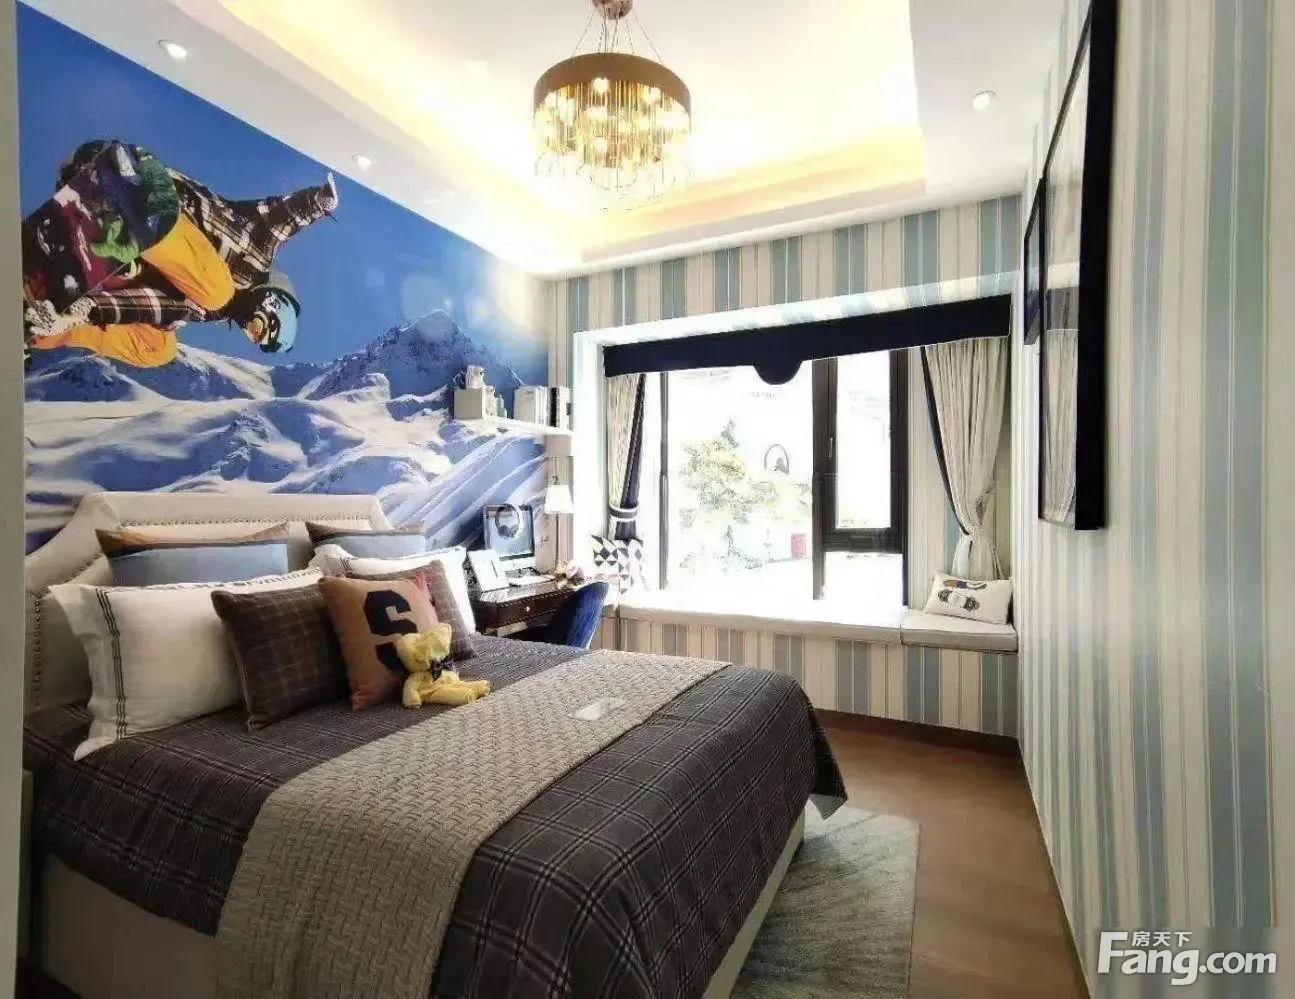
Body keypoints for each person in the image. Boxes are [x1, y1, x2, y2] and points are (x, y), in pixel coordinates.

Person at [26, 140, 338, 368]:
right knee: (219, 291)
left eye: (254, 339)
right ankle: (144, 215)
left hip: (116, 247)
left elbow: (160, 306)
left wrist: (91, 309)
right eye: (258, 329)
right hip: (132, 183)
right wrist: (320, 202)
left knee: (160, 349)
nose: (248, 333)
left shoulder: (208, 310)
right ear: (270, 305)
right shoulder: (255, 255)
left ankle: (43, 322)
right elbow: (283, 219)